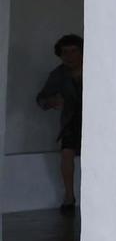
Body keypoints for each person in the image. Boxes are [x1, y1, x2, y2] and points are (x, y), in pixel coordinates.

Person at [35, 33, 83, 212]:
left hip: (94, 120)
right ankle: (69, 197)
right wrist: (52, 102)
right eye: (65, 53)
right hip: (71, 120)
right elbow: (41, 99)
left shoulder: (94, 68)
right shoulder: (59, 74)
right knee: (66, 153)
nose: (69, 57)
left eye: (73, 51)